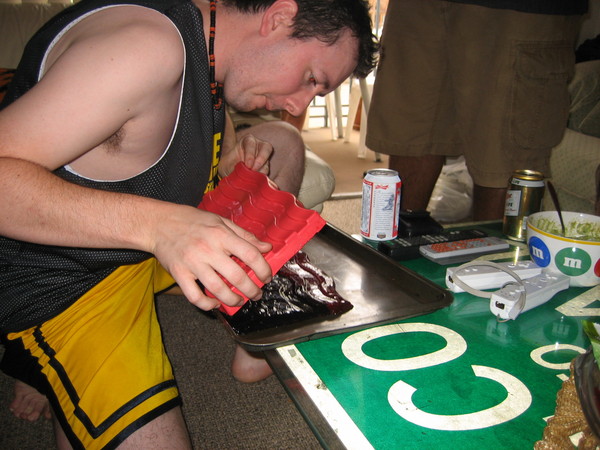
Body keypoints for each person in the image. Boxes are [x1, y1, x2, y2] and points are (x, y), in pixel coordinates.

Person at [0, 0, 379, 447]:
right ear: (278, 17)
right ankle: (39, 365)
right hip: (65, 277)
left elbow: (174, 151)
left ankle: (254, 327)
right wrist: (161, 228)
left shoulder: (209, 47)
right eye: (311, 78)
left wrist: (236, 159)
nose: (299, 102)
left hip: (147, 246)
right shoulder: (145, 48)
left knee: (283, 141)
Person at [366, 0, 588, 220]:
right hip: (418, 8)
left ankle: (493, 254)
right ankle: (393, 248)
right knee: (408, 139)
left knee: (502, 162)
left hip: (519, 10)